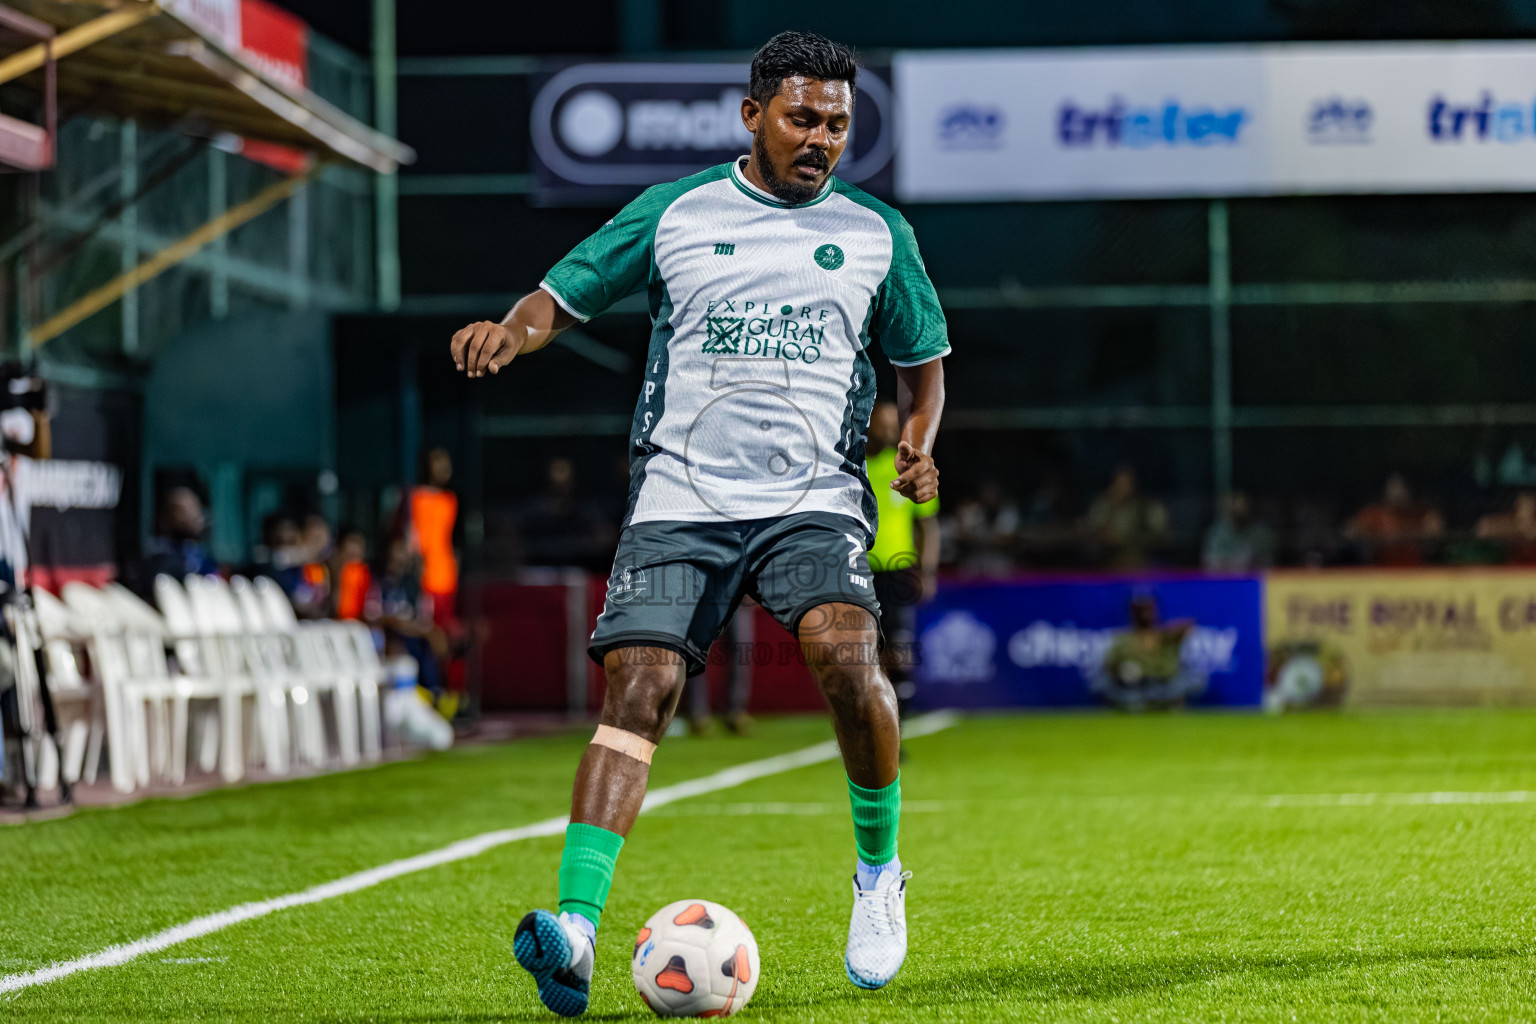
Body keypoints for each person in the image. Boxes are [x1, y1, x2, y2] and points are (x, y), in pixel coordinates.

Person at [450, 31, 948, 1014]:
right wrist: (511, 332)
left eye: (839, 124)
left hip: (812, 497)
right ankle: (579, 932)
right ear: (754, 113)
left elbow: (919, 361)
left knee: (849, 661)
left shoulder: (878, 231)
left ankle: (878, 876)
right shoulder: (676, 213)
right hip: (682, 497)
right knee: (640, 687)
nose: (822, 139)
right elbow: (563, 293)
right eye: (803, 118)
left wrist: (923, 441)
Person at [864, 400, 939, 718]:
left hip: (898, 570)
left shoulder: (909, 469)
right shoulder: (853, 468)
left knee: (900, 648)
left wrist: (928, 571)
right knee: (864, 650)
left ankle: (899, 722)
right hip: (860, 570)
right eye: (882, 423)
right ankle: (871, 718)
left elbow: (927, 526)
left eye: (893, 424)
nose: (889, 430)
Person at [1345, 472, 1443, 566]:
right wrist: (1372, 535)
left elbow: (1435, 531)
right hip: (1380, 569)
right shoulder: (1373, 514)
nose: (1397, 492)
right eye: (1392, 487)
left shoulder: (1420, 513)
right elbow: (1349, 531)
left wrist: (1408, 534)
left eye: (1400, 486)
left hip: (1416, 569)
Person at [1085, 465, 1168, 571]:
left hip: (1139, 564)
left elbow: (1160, 537)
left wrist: (1125, 539)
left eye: (1126, 483)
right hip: (1106, 564)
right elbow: (1091, 529)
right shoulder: (1104, 504)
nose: (1122, 487)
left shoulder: (1147, 507)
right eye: (1119, 482)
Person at [139, 486, 220, 585]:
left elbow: (213, 582)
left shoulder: (202, 555)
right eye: (180, 512)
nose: (189, 517)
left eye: (193, 509)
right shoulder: (159, 555)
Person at [1202, 491, 1275, 572]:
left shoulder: (1262, 533)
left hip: (1253, 582)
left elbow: (1267, 567)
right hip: (1225, 582)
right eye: (1234, 503)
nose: (1239, 508)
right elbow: (1212, 567)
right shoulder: (1216, 533)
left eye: (1243, 503)